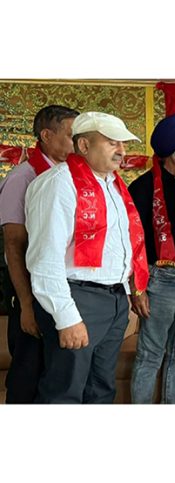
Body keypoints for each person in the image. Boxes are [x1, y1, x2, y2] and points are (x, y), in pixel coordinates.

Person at [25, 111, 148, 403]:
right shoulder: (59, 183)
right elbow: (45, 257)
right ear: (83, 146)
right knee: (64, 391)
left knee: (101, 389)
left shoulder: (113, 185)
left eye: (123, 143)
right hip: (78, 299)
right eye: (112, 142)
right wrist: (66, 317)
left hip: (113, 300)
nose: (122, 151)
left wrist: (130, 292)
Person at [0, 105, 79, 403]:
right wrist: (26, 305)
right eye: (72, 136)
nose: (78, 143)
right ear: (47, 135)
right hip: (31, 288)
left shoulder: (72, 176)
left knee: (57, 376)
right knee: (28, 375)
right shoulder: (24, 176)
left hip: (63, 288)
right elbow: (13, 245)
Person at [127, 112, 175, 403]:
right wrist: (138, 287)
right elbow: (132, 242)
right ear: (171, 148)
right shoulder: (144, 187)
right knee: (150, 354)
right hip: (160, 280)